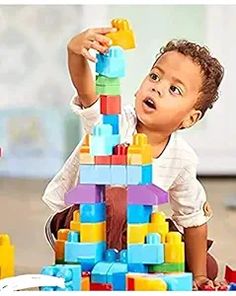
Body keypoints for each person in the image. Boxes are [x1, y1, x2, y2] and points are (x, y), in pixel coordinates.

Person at [42, 27, 226, 290]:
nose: (158, 88)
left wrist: (197, 276)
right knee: (120, 195)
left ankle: (133, 264)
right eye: (154, 76)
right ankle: (101, 265)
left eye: (174, 89)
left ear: (190, 118)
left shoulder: (182, 158)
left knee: (205, 264)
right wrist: (75, 52)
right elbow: (87, 92)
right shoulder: (113, 121)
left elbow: (193, 217)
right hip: (80, 219)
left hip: (134, 232)